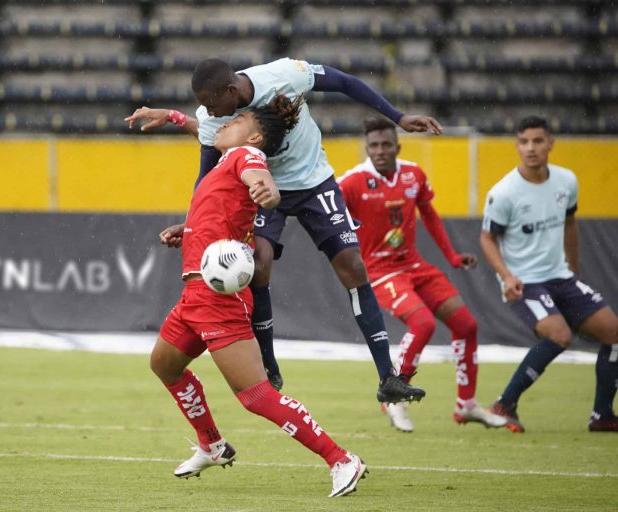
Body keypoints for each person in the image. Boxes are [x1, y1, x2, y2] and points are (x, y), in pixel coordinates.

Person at [127, 57, 438, 404]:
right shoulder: (210, 119)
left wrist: (398, 117)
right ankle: (270, 368)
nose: (209, 113)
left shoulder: (286, 75)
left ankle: (387, 377)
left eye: (212, 104)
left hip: (313, 180)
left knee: (353, 265)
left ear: (231, 91)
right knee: (257, 267)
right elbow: (206, 179)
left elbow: (345, 82)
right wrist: (193, 224)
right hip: (261, 187)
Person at [150, 94, 367, 498]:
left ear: (253, 135)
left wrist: (266, 189)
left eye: (236, 121)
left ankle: (340, 458)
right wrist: (191, 230)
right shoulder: (226, 162)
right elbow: (224, 206)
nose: (225, 125)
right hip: (195, 292)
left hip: (218, 300)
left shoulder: (244, 158)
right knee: (164, 365)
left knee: (256, 395)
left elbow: (258, 177)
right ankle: (212, 445)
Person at [337, 117, 507, 432]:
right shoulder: (351, 182)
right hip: (379, 272)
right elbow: (329, 217)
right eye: (374, 145)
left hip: (414, 265)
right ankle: (393, 397)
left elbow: (429, 215)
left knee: (466, 325)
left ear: (398, 146)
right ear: (366, 148)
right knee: (423, 323)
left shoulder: (414, 174)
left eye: (386, 144)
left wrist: (453, 257)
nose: (380, 150)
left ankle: (466, 405)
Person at [480, 115, 618, 433]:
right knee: (559, 336)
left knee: (613, 333)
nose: (531, 148)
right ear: (517, 145)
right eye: (524, 142)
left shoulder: (566, 181)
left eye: (538, 141)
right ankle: (505, 404)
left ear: (550, 144)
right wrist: (507, 276)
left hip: (561, 277)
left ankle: (602, 415)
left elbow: (570, 223)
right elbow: (486, 238)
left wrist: (573, 267)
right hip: (523, 281)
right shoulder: (504, 192)